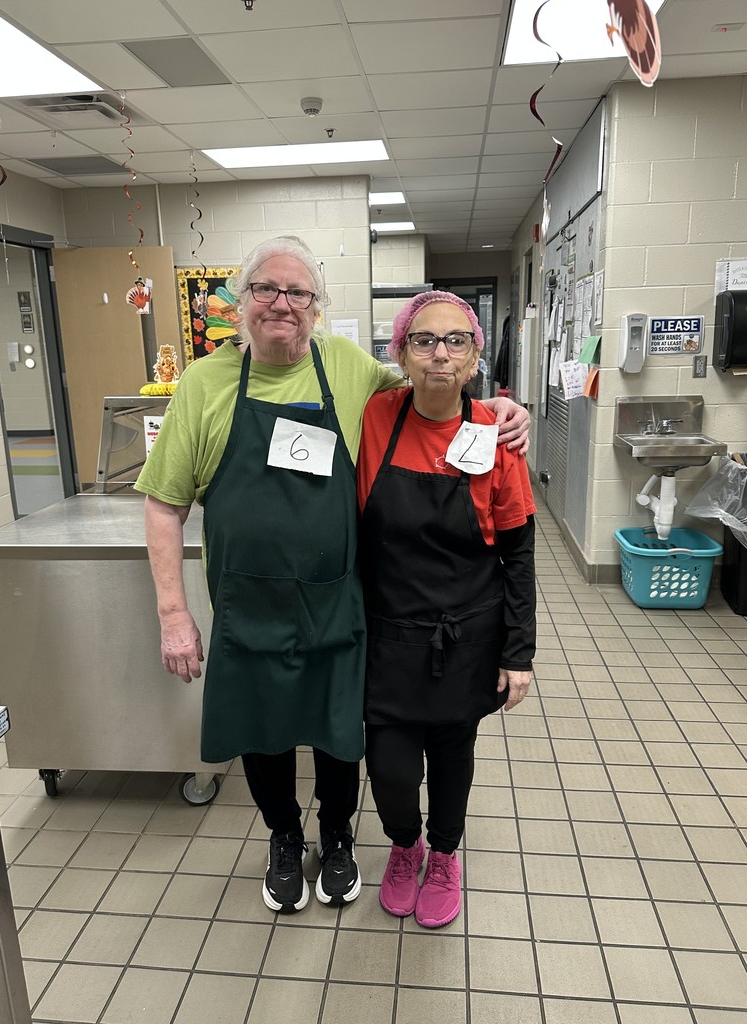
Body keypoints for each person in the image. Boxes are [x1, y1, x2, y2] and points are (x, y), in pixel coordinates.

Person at [134, 236, 530, 917]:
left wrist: (500, 409)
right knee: (262, 737)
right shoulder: (203, 384)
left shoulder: (346, 368)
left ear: (316, 309)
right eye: (265, 290)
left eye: (297, 293)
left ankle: (338, 837)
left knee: (338, 734)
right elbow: (163, 504)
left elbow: (431, 389)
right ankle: (285, 837)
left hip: (335, 606)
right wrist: (174, 614)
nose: (281, 304)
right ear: (239, 306)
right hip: (247, 607)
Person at [357, 290, 536, 928]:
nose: (440, 352)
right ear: (401, 354)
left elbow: (518, 552)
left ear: (474, 356)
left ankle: (445, 853)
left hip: (468, 634)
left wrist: (518, 653)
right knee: (392, 767)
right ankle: (404, 846)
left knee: (453, 756)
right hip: (390, 634)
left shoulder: (495, 433)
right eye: (424, 340)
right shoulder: (375, 416)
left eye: (456, 340)